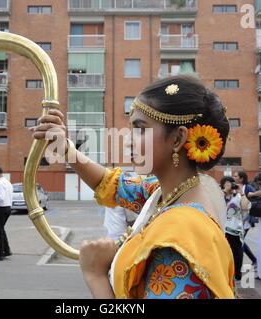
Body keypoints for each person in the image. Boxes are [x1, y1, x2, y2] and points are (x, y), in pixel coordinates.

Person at [31, 75, 235, 299]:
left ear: (177, 139)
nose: (128, 141)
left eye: (140, 129)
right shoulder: (171, 191)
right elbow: (111, 184)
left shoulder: (178, 241)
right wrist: (65, 148)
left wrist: (95, 276)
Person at [221, 176, 244, 282]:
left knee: (237, 253)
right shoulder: (219, 195)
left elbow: (246, 207)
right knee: (223, 253)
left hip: (235, 230)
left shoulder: (238, 196)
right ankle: (225, 275)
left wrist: (241, 192)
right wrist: (225, 191)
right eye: (228, 182)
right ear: (223, 184)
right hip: (222, 229)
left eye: (232, 182)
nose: (230, 184)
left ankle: (237, 274)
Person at [233, 171, 258, 270]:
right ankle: (254, 260)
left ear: (241, 178)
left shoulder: (248, 188)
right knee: (239, 241)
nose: (233, 177)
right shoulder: (234, 188)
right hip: (235, 219)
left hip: (246, 219)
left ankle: (253, 261)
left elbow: (253, 203)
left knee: (239, 242)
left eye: (235, 176)